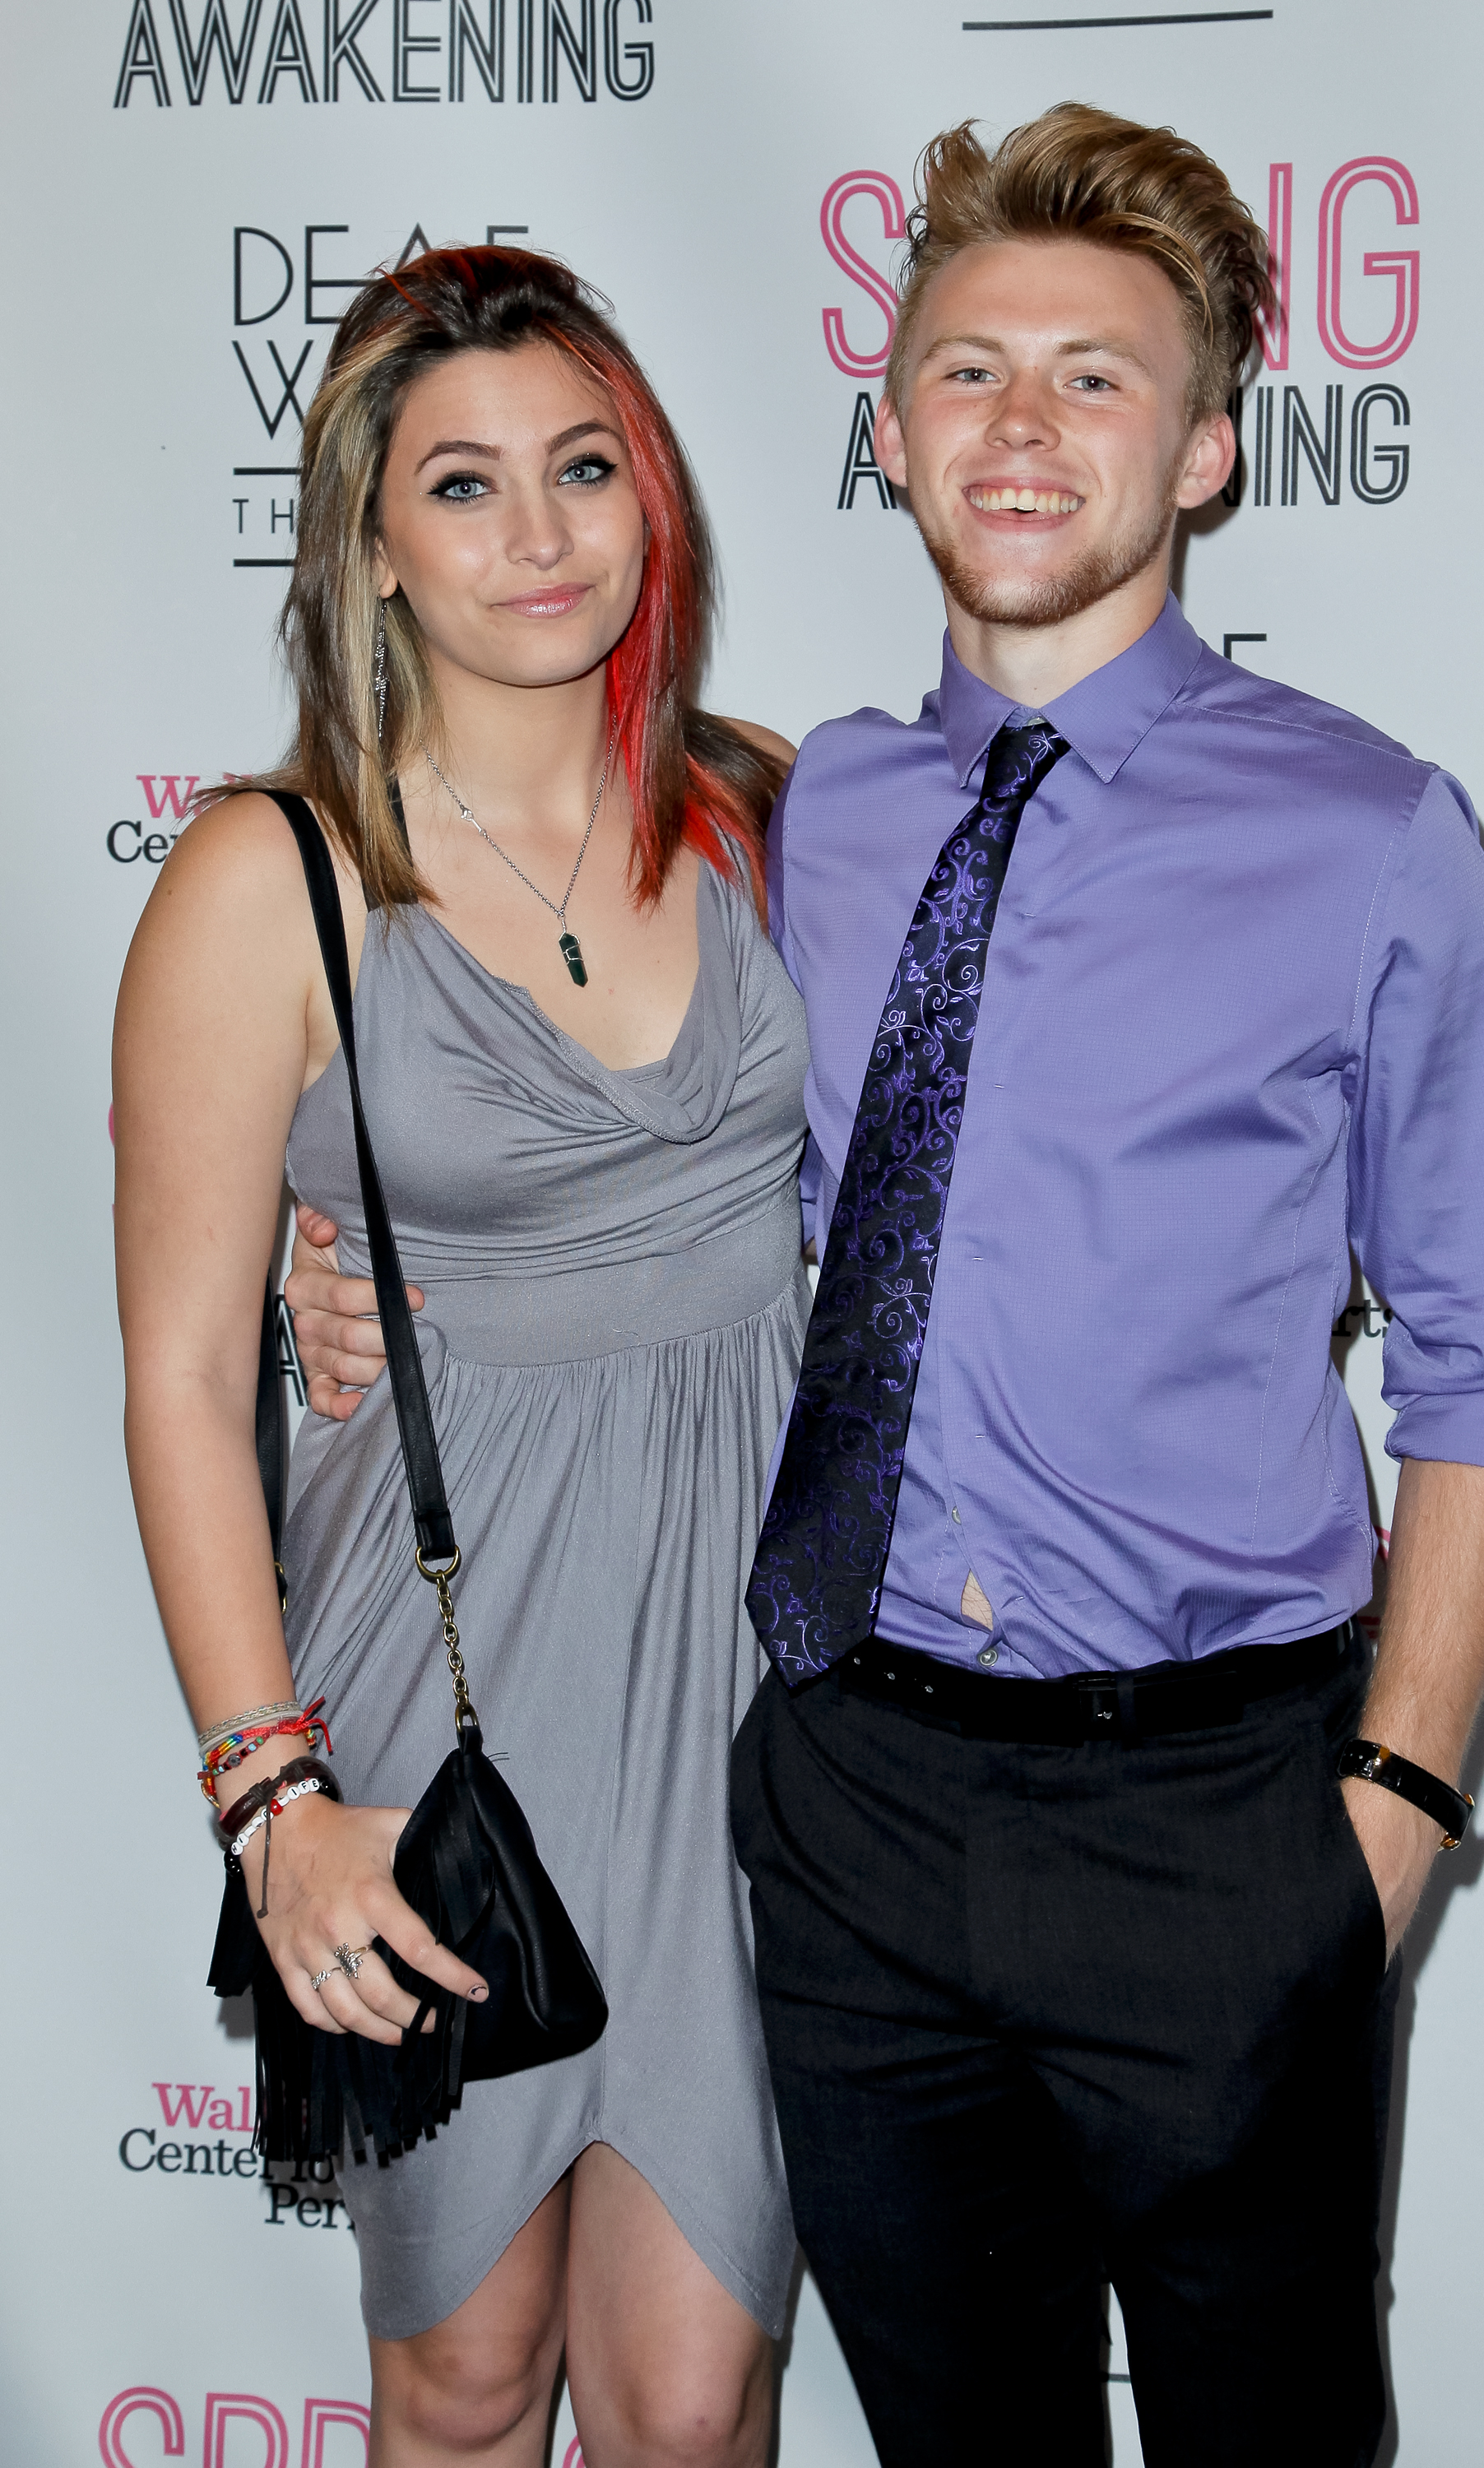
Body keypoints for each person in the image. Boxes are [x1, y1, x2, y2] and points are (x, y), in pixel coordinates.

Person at [723, 105, 1484, 2467]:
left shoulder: (1368, 828)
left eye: (1094, 377)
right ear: (888, 423)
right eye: (969, 368)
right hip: (854, 1799)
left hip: (1220, 1813)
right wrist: (344, 1274)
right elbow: (611, 1173)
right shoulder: (794, 821)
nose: (1021, 425)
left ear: (1205, 449)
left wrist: (1389, 1809)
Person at [114, 246, 809, 2468]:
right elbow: (170, 1376)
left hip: (757, 1693)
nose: (538, 537)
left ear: (651, 491)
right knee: (465, 2370)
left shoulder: (775, 812)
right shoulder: (267, 881)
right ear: (372, 543)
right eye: (465, 485)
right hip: (450, 1683)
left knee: (693, 2406)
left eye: (582, 468)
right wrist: (271, 1799)